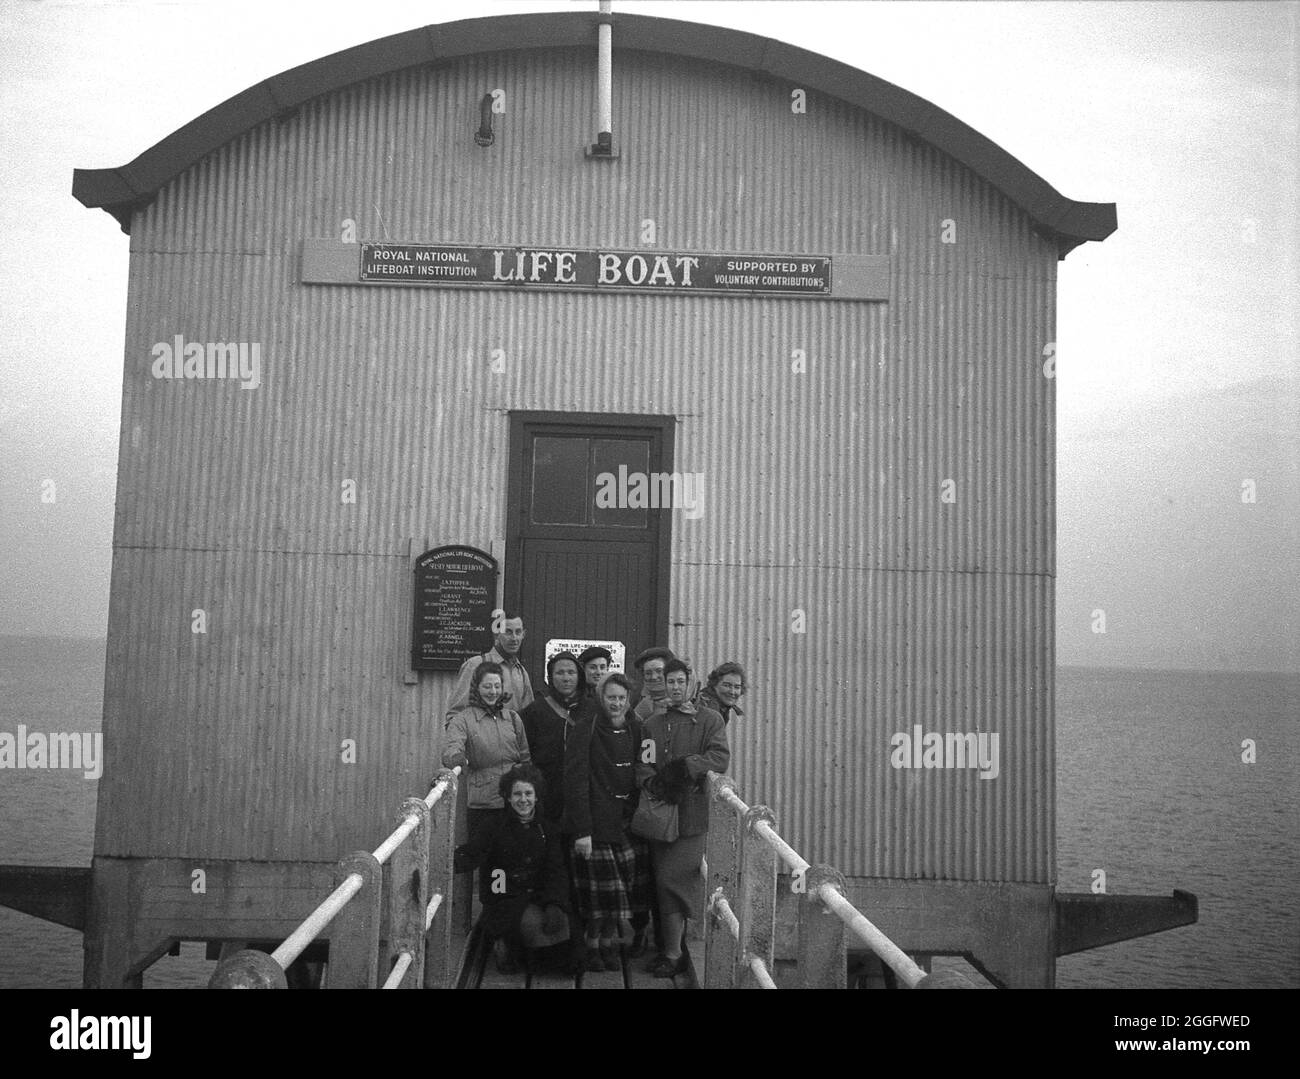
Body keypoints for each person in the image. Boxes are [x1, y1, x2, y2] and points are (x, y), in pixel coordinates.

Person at [636, 658, 729, 979]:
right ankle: (670, 950)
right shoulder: (653, 723)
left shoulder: (709, 719)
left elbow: (720, 757)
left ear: (690, 683)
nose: (674, 688)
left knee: (671, 879)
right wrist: (652, 782)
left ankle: (673, 952)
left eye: (680, 681)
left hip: (691, 816)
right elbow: (644, 761)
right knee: (663, 882)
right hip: (661, 814)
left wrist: (686, 767)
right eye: (669, 682)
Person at [564, 672, 650, 973]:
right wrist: (582, 831)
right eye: (611, 697)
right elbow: (574, 781)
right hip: (595, 823)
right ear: (601, 698)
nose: (616, 703)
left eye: (621, 699)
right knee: (599, 896)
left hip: (626, 822)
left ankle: (610, 942)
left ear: (628, 701)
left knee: (619, 891)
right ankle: (594, 944)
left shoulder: (636, 728)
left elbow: (644, 766)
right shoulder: (585, 728)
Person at [454, 764, 570, 973]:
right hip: (505, 896)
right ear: (507, 797)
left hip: (537, 894)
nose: (523, 800)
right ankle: (504, 942)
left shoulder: (547, 828)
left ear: (536, 797)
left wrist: (555, 903)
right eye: (517, 794)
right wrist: (449, 861)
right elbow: (474, 852)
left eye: (528, 793)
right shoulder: (493, 826)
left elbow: (556, 869)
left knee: (569, 948)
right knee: (530, 927)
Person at [442, 662, 530, 847]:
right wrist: (456, 758)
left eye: (497, 686)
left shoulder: (513, 718)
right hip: (484, 806)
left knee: (512, 858)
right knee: (488, 863)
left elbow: (525, 757)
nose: (493, 691)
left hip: (513, 805)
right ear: (476, 688)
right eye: (487, 686)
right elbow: (452, 747)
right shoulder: (463, 719)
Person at [519, 651, 584, 824]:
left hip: (583, 799)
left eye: (571, 672)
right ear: (550, 677)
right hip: (546, 797)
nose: (566, 678)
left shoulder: (591, 709)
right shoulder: (534, 711)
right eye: (560, 672)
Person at [445, 614, 533, 723]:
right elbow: (455, 715)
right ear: (497, 634)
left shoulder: (521, 672)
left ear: (523, 634)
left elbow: (528, 717)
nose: (514, 638)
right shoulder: (476, 665)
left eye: (518, 632)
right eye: (508, 632)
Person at [632, 645, 675, 721]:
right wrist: (636, 717)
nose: (654, 677)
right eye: (648, 673)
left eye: (659, 671)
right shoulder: (635, 699)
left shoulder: (682, 700)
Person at [696, 661, 747, 726]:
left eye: (737, 687)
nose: (732, 692)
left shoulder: (721, 706)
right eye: (726, 685)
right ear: (714, 684)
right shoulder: (708, 707)